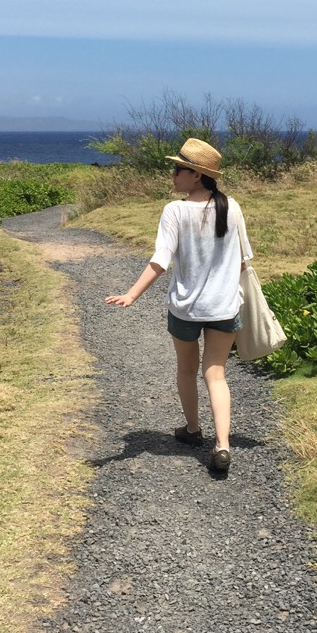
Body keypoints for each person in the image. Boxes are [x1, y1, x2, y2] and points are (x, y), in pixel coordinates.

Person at [105, 137, 251, 474]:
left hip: (185, 308)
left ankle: (193, 431)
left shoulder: (175, 211)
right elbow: (243, 262)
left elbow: (160, 261)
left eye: (177, 170)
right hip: (224, 307)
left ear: (196, 175)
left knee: (187, 369)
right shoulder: (232, 206)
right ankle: (223, 445)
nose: (172, 176)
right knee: (216, 374)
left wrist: (132, 294)